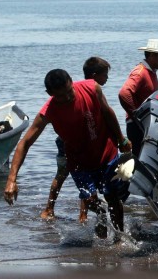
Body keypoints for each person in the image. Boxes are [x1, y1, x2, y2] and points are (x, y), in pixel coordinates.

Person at [4, 69, 132, 239]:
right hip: (79, 162)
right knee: (90, 199)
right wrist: (11, 180)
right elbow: (25, 143)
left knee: (113, 197)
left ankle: (119, 238)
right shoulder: (48, 112)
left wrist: (121, 139)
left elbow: (108, 112)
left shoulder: (92, 88)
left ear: (72, 82)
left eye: (69, 91)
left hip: (105, 153)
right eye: (61, 96)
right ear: (50, 94)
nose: (67, 98)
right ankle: (100, 213)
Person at [40, 57, 111, 223]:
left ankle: (81, 214)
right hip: (70, 144)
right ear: (95, 75)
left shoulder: (87, 90)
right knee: (67, 174)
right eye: (105, 75)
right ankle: (52, 209)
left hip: (79, 144)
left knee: (82, 180)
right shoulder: (88, 89)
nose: (107, 78)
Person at [119, 38, 158, 156]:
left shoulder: (150, 72)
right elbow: (124, 93)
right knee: (141, 160)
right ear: (152, 56)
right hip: (136, 127)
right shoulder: (140, 72)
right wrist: (137, 116)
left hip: (145, 125)